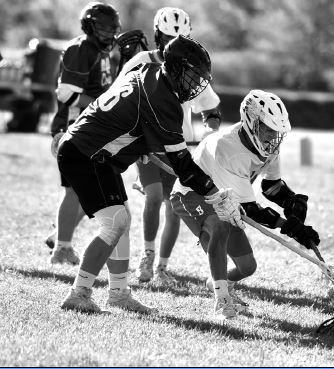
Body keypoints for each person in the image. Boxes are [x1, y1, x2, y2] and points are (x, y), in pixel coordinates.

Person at [56, 35, 242, 315]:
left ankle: (119, 293)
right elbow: (182, 164)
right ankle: (79, 293)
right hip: (86, 154)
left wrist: (139, 145)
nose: (196, 83)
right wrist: (216, 195)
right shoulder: (162, 99)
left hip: (92, 152)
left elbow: (130, 120)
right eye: (192, 75)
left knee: (120, 220)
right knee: (115, 221)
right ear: (177, 69)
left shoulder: (148, 72)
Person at [170, 90, 320, 318]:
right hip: (191, 194)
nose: (273, 136)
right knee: (218, 227)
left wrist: (291, 203)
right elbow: (250, 210)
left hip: (226, 197)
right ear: (252, 122)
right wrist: (288, 227)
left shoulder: (268, 146)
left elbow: (271, 187)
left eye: (277, 131)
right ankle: (222, 300)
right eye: (268, 129)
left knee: (247, 267)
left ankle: (219, 283)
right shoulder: (226, 148)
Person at [117, 7, 222, 285]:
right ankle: (147, 256)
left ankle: (162, 267)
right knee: (153, 198)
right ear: (157, 35)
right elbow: (120, 96)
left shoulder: (189, 66)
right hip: (148, 145)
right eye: (165, 37)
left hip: (179, 146)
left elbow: (211, 108)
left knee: (174, 208)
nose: (169, 45)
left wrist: (209, 131)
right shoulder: (141, 61)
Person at [46, 2, 121, 265]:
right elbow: (67, 93)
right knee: (73, 190)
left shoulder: (101, 52)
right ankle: (62, 247)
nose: (109, 35)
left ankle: (60, 235)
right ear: (89, 26)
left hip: (90, 127)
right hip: (72, 125)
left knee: (84, 189)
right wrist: (105, 107)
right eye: (103, 29)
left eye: (112, 29)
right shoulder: (80, 49)